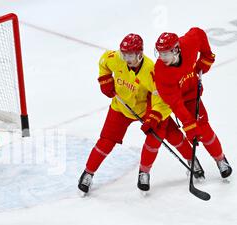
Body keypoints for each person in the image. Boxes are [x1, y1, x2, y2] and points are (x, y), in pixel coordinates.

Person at [78, 34, 203, 195]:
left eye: (129, 55)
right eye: (124, 54)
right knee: (106, 141)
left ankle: (185, 163)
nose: (125, 58)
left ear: (139, 54)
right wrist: (105, 79)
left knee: (172, 135)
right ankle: (88, 173)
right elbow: (103, 61)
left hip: (146, 109)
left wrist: (154, 116)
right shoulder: (117, 58)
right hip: (120, 108)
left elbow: (163, 98)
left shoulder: (151, 71)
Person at [153, 28, 232, 179]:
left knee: (205, 129)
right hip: (178, 102)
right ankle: (192, 161)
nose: (162, 57)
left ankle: (220, 159)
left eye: (165, 53)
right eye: (160, 53)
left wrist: (206, 57)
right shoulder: (161, 71)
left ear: (176, 49)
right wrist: (189, 126)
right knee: (187, 132)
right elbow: (175, 103)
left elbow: (198, 32)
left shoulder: (188, 44)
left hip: (192, 95)